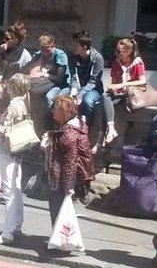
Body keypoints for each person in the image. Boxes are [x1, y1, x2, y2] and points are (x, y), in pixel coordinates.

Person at [0, 73, 31, 245]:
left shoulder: (14, 104)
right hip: (17, 151)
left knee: (9, 190)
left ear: (13, 86)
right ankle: (16, 227)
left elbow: (6, 130)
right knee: (16, 188)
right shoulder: (24, 103)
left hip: (7, 150)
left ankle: (8, 233)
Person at [47, 95, 95, 225]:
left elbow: (70, 162)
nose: (53, 111)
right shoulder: (74, 126)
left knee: (58, 209)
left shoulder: (68, 134)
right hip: (66, 178)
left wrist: (68, 188)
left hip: (62, 179)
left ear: (64, 112)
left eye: (56, 108)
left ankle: (59, 241)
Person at [0, 21, 32, 127]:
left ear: (16, 40)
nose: (4, 41)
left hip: (16, 86)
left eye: (7, 38)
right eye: (4, 37)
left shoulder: (24, 55)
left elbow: (26, 77)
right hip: (2, 82)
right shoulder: (3, 50)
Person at [102, 38, 147, 145]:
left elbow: (142, 81)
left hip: (132, 93)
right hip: (119, 93)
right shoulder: (116, 63)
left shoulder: (137, 63)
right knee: (103, 100)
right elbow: (113, 82)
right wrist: (113, 87)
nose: (116, 54)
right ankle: (110, 129)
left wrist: (123, 84)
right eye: (115, 51)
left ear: (128, 52)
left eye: (118, 52)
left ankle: (106, 137)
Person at [22, 33, 71, 109]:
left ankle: (50, 119)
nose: (45, 53)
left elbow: (60, 79)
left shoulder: (60, 55)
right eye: (43, 50)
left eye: (47, 50)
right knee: (27, 89)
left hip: (60, 85)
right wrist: (40, 60)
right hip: (44, 83)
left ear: (54, 46)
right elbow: (32, 73)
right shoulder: (40, 54)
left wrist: (44, 75)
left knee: (49, 96)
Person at [68, 31, 104, 124]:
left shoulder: (97, 58)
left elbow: (93, 82)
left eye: (75, 46)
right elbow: (73, 76)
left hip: (94, 89)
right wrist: (73, 92)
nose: (72, 47)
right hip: (77, 88)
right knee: (62, 99)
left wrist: (80, 95)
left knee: (87, 101)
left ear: (84, 48)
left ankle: (86, 128)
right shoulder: (73, 57)